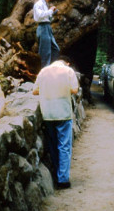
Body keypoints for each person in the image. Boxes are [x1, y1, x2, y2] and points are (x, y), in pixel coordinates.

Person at [33, 56, 79, 189]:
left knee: (53, 145)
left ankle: (56, 173)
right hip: (63, 113)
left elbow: (35, 91)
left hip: (47, 114)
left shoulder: (43, 71)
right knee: (64, 146)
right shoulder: (68, 71)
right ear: (67, 62)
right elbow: (75, 90)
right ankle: (63, 179)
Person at [33, 0, 60, 67]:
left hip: (48, 27)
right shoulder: (38, 4)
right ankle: (43, 70)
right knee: (45, 52)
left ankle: (51, 67)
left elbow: (47, 17)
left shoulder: (44, 4)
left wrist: (53, 12)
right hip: (43, 27)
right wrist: (51, 10)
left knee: (55, 49)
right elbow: (40, 16)